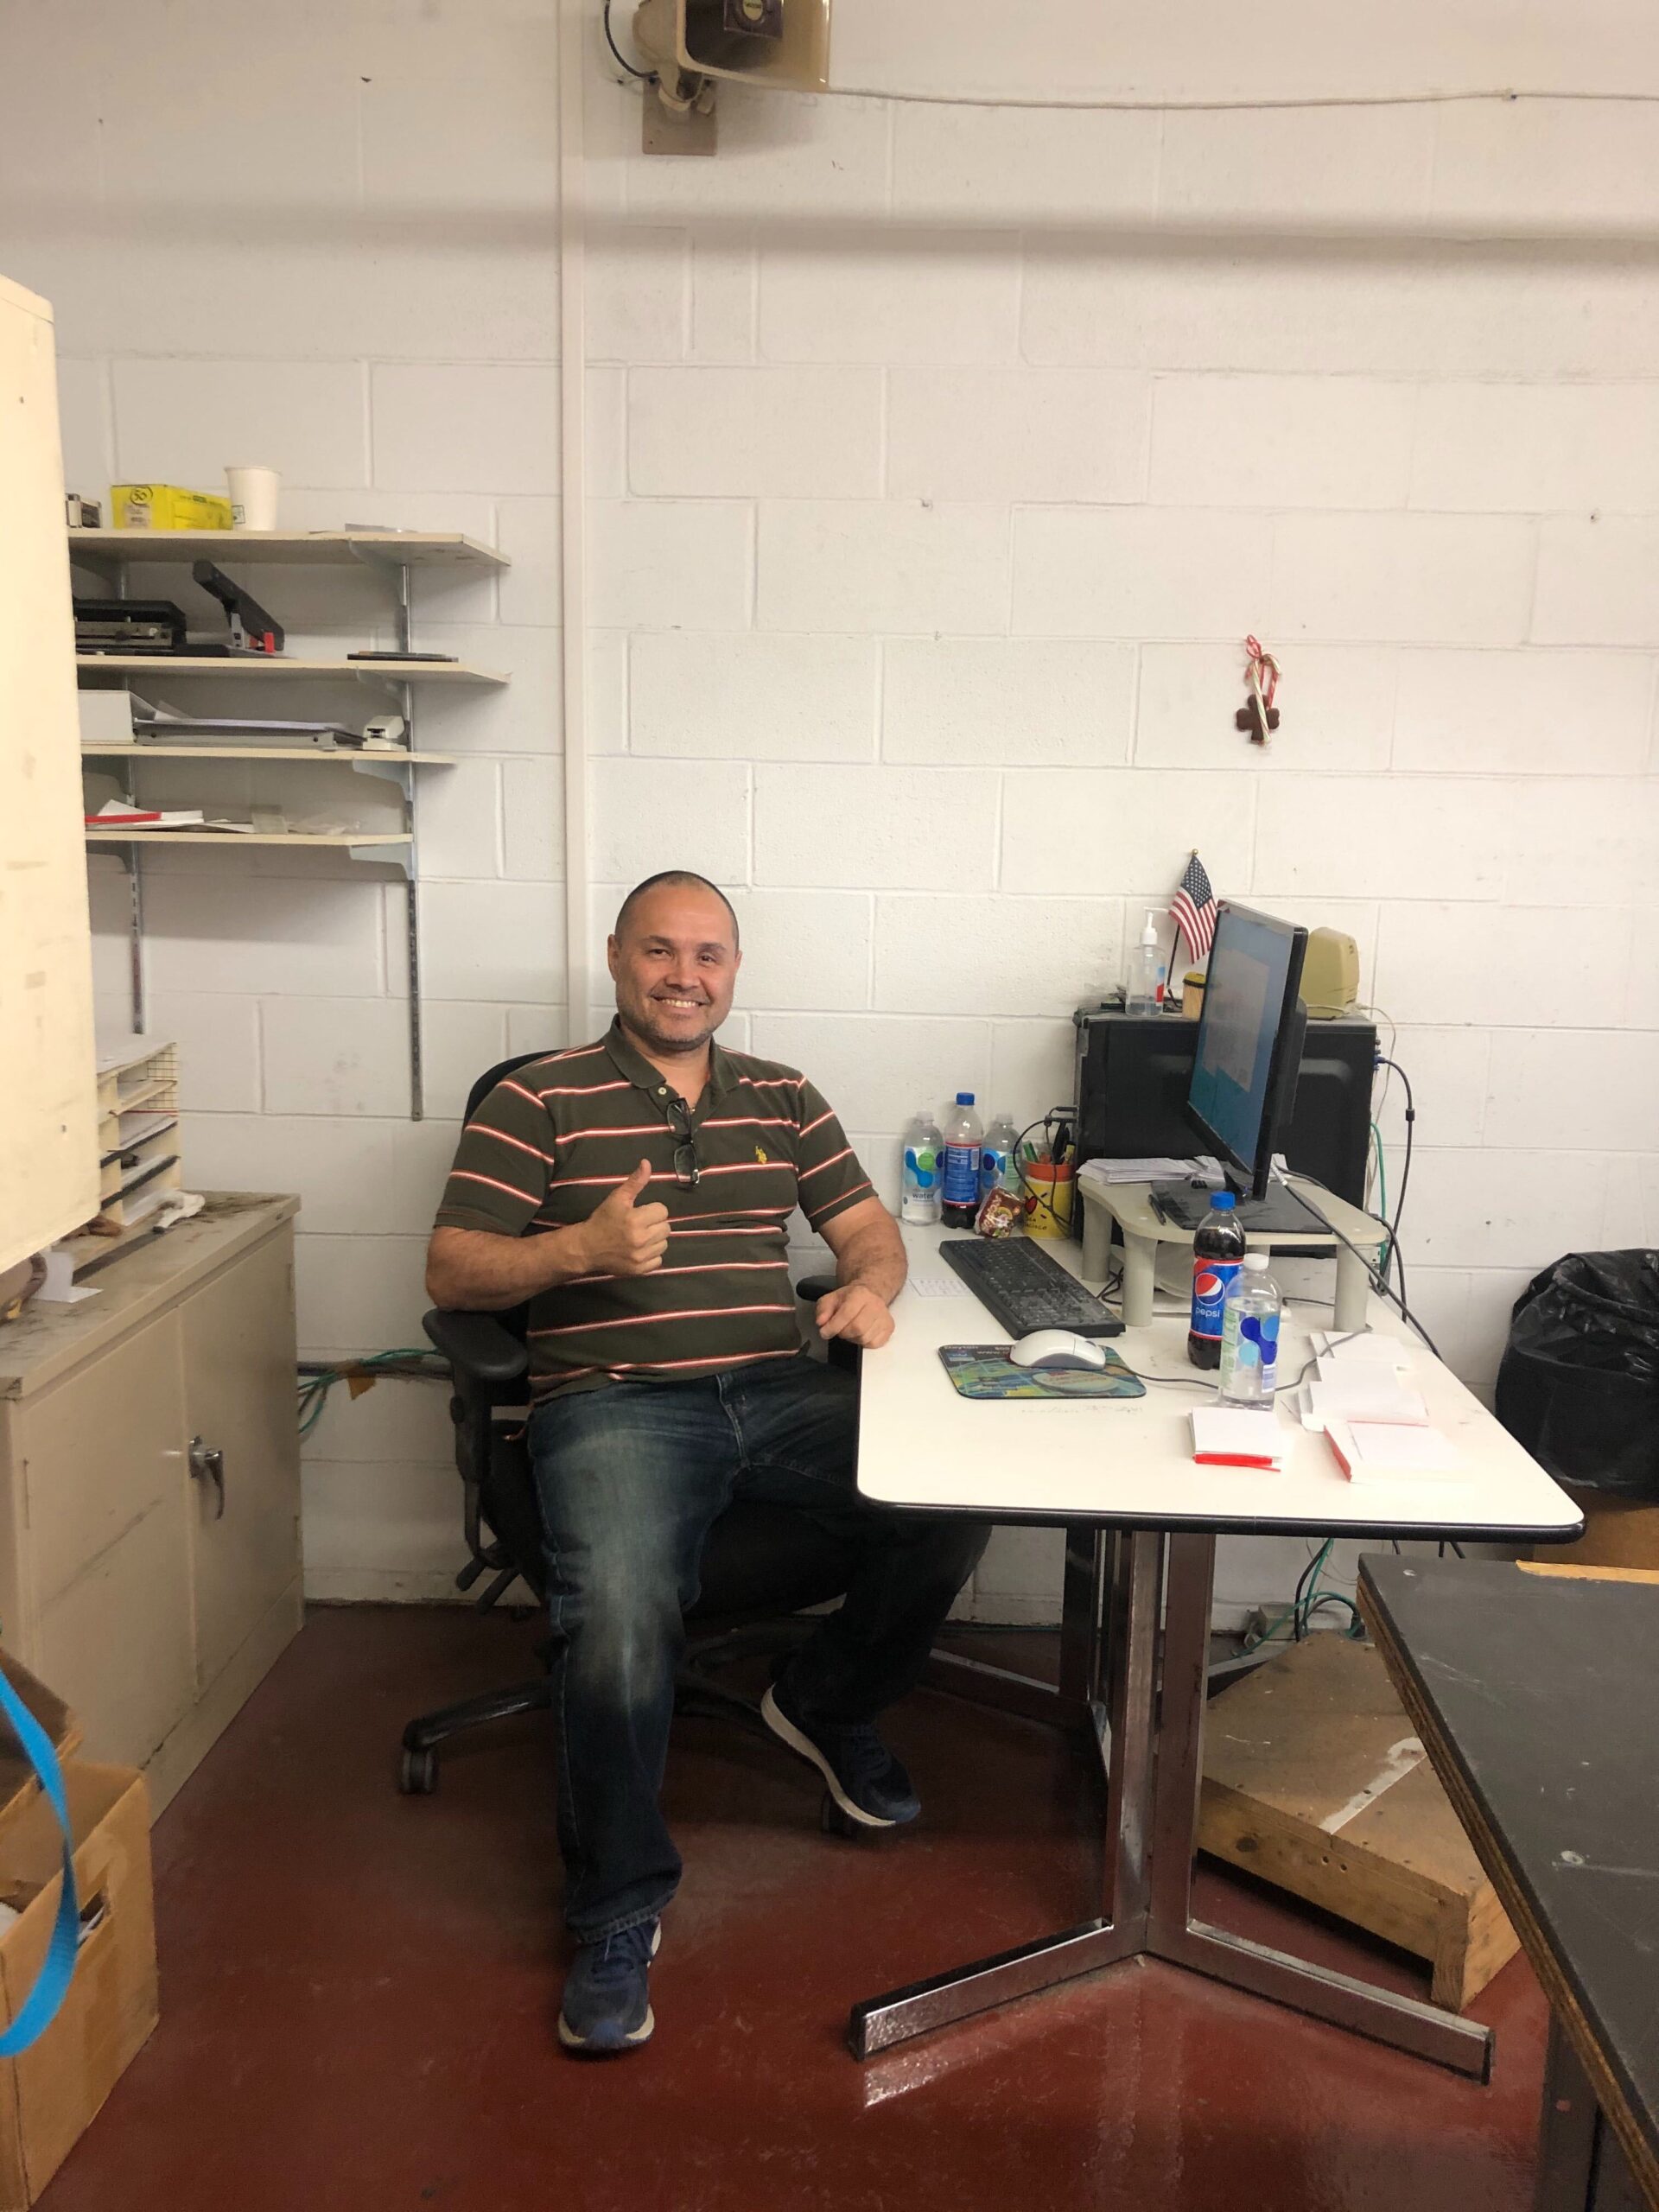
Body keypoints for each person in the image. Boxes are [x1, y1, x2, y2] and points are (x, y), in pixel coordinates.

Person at [426, 870, 988, 2056]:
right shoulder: (539, 1097)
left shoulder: (782, 1094)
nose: (684, 976)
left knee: (952, 1490)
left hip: (774, 1391)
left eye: (708, 955)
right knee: (622, 1613)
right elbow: (453, 1270)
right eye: (659, 951)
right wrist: (577, 1250)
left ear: (733, 971)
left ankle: (823, 1702)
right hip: (615, 1403)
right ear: (616, 957)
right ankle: (617, 1911)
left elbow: (869, 1232)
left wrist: (870, 1292)